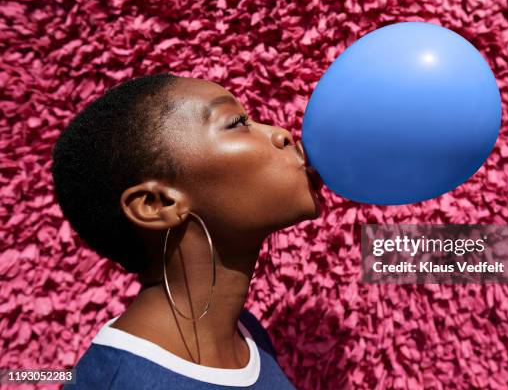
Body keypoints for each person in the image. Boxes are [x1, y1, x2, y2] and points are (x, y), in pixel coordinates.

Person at [51, 73, 325, 389]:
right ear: (157, 204)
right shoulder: (120, 383)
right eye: (236, 122)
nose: (281, 134)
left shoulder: (247, 336)